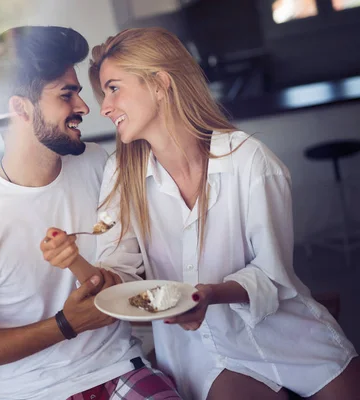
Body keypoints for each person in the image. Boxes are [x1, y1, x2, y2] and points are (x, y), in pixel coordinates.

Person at [41, 27, 359, 400]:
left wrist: (208, 293)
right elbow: (121, 274)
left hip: (289, 334)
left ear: (160, 83)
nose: (105, 107)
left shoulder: (249, 160)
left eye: (113, 88)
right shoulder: (122, 175)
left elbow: (272, 276)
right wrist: (77, 262)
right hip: (203, 349)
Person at [0, 26, 181, 400]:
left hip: (119, 366)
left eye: (79, 92)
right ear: (20, 108)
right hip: (31, 390)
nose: (84, 107)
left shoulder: (100, 165)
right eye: (67, 95)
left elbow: (132, 264)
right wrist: (66, 324)